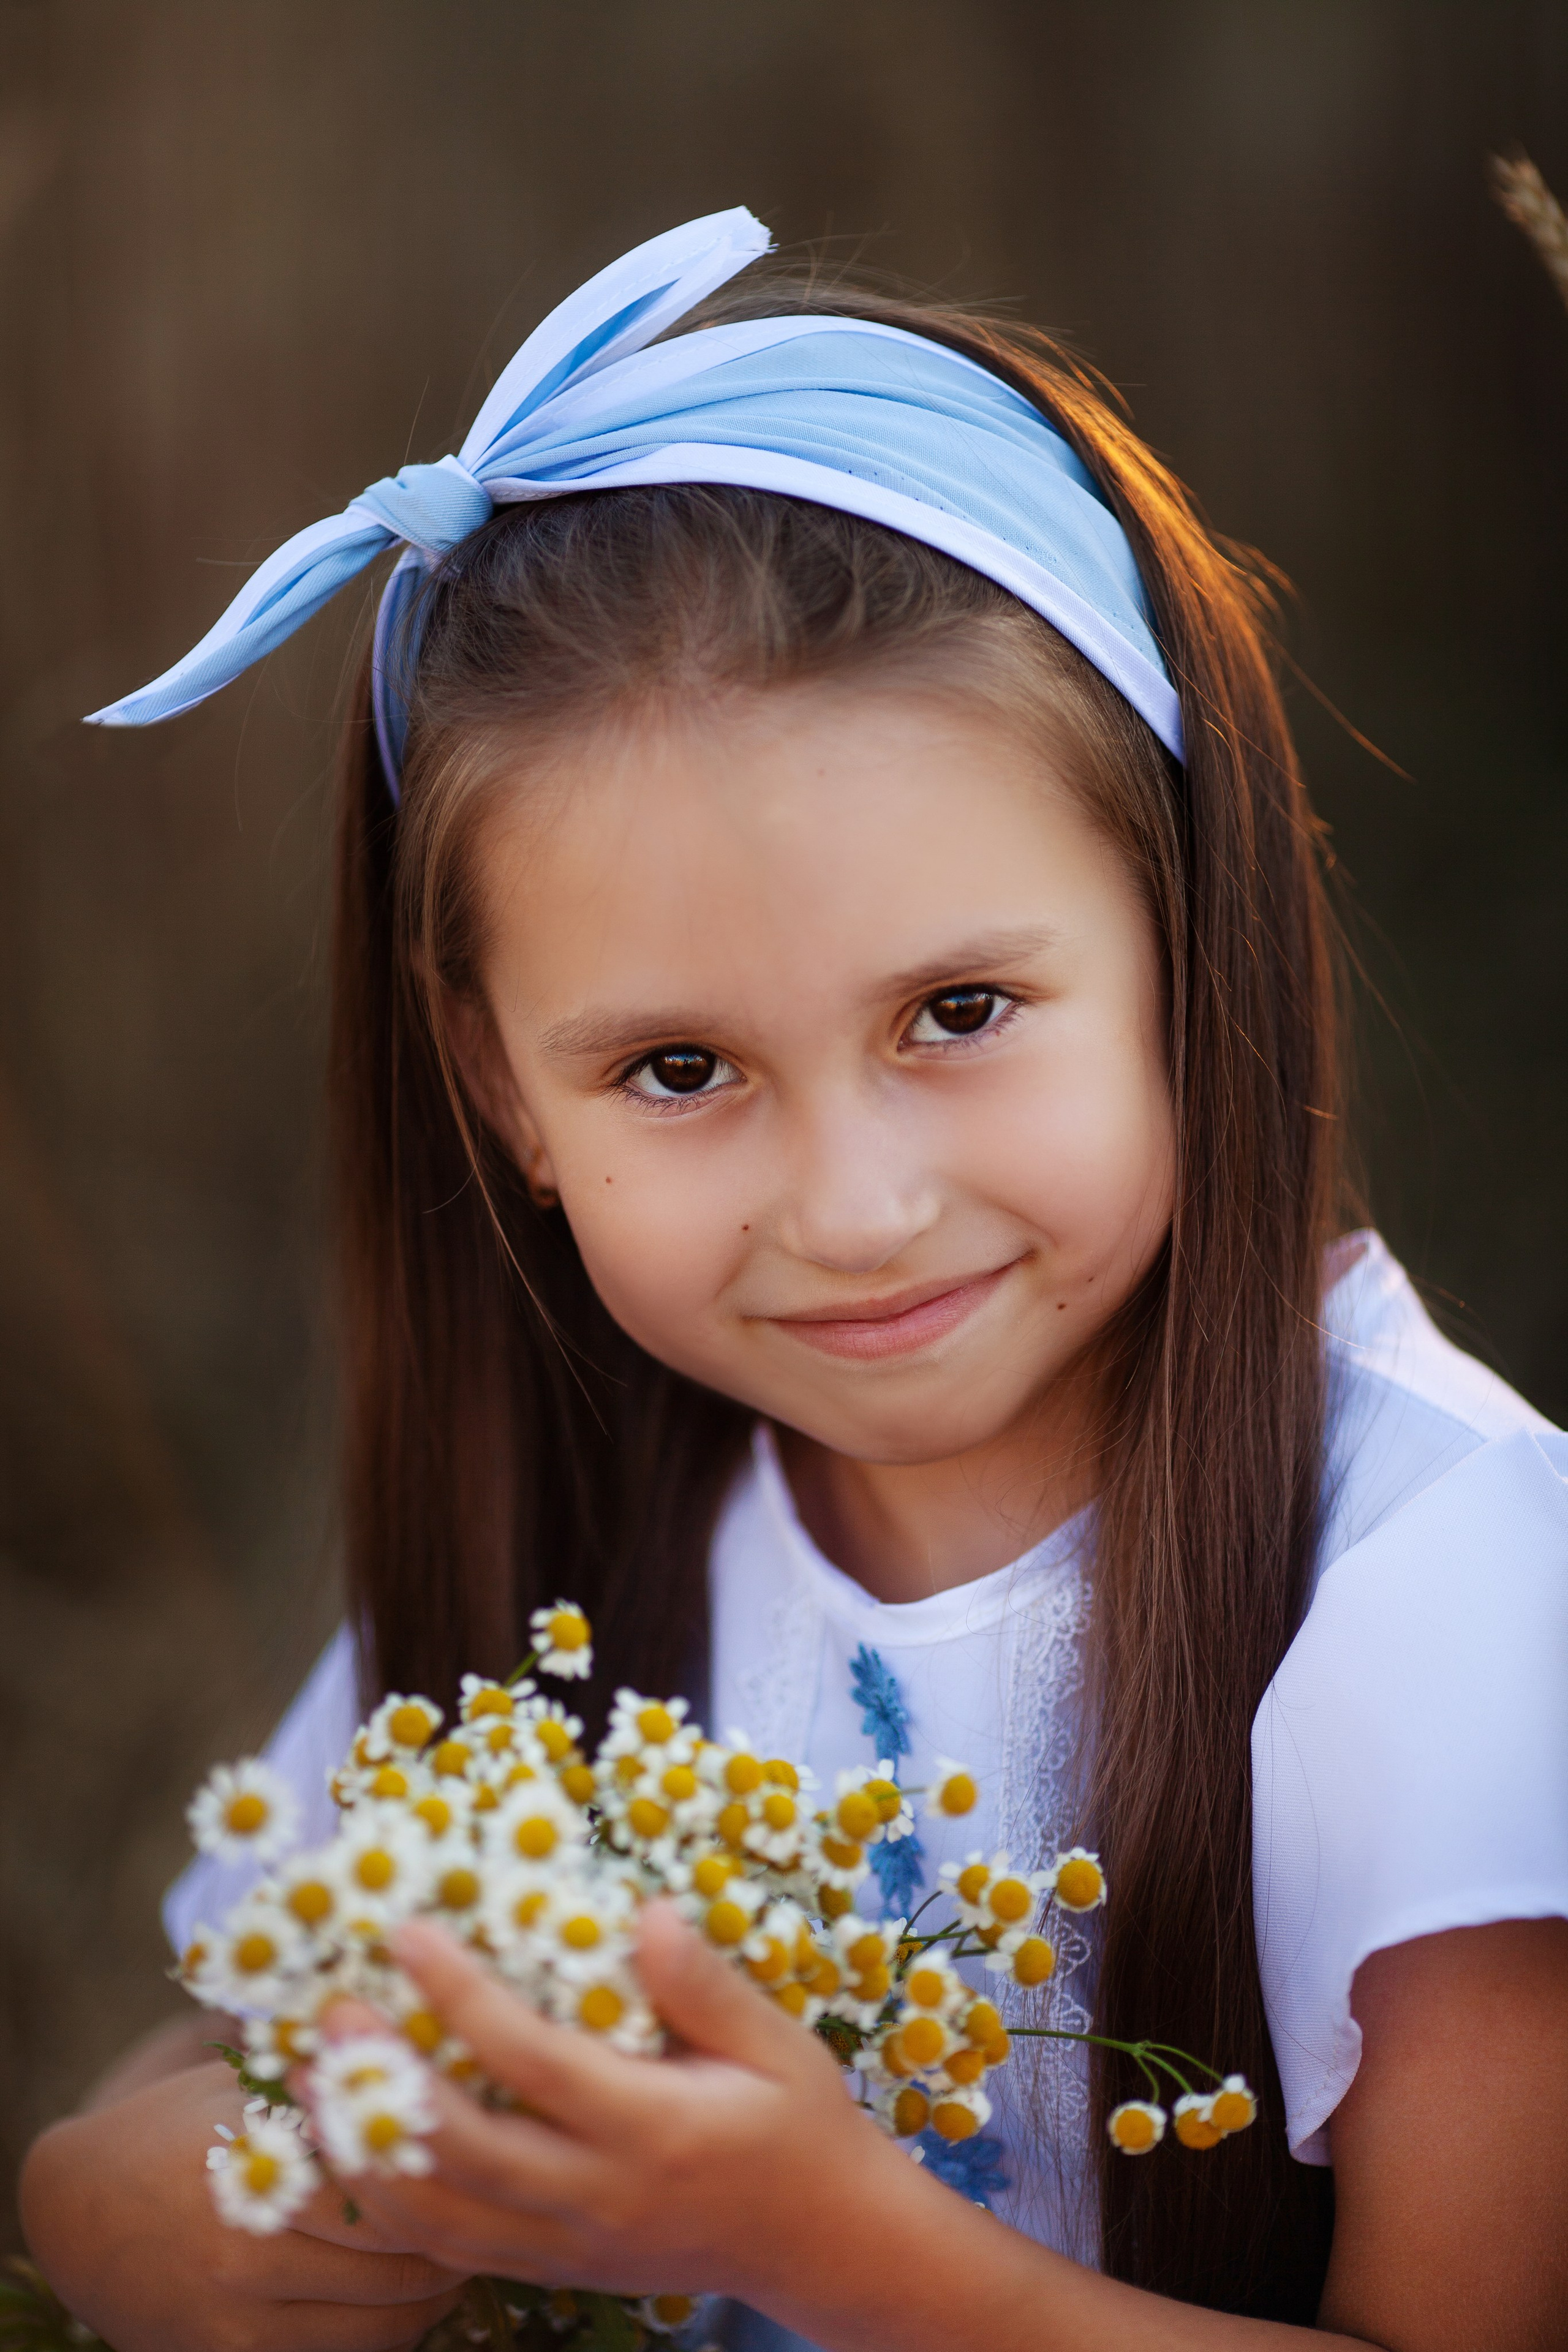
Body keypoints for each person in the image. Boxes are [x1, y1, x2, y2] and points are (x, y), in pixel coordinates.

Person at [19, 209, 1568, 2352]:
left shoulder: (1445, 1593)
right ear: (498, 1090)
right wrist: (105, 2187)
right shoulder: (562, 1550)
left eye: (957, 1010)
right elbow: (223, 2056)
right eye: (678, 1068)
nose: (852, 1206)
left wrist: (827, 2245)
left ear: (1182, 934)